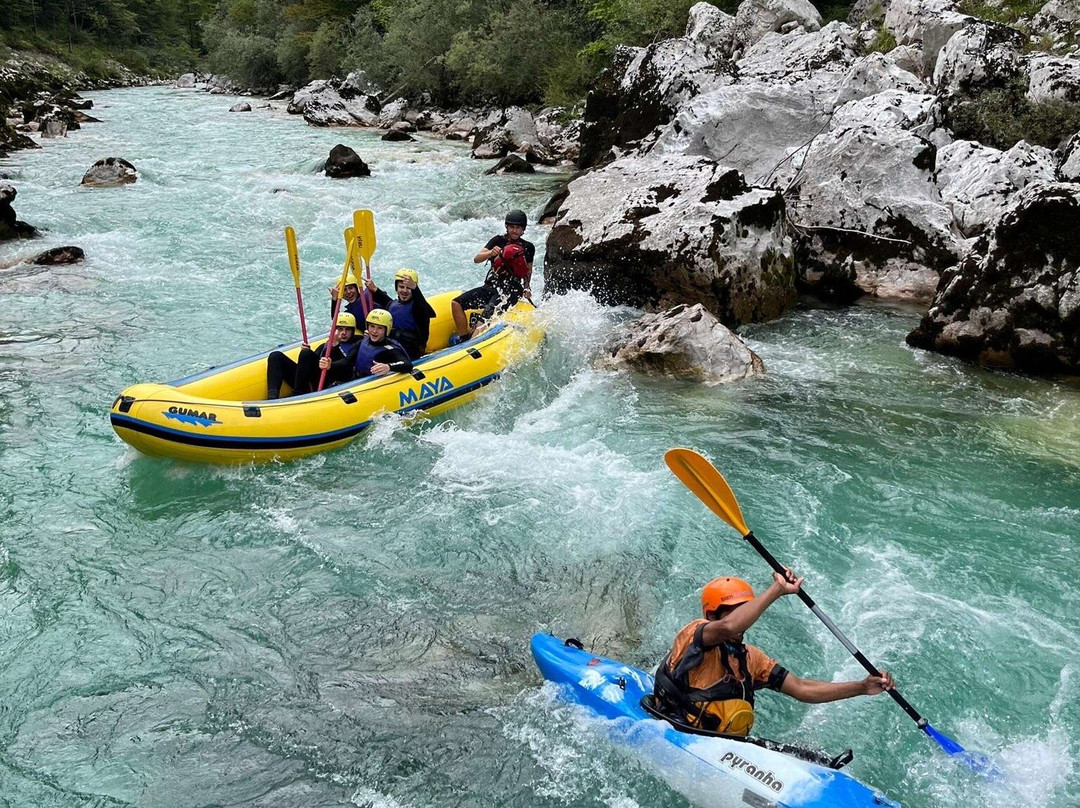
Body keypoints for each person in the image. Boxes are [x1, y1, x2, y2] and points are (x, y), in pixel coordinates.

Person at [653, 572, 894, 736]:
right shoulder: (696, 633)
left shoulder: (751, 659)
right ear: (712, 616)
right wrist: (778, 589)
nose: (744, 620)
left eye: (747, 609)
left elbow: (801, 688)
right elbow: (730, 627)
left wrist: (861, 687)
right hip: (674, 726)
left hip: (719, 744)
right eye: (736, 612)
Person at [450, 209, 534, 344]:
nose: (514, 230)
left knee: (482, 321)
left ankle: (471, 344)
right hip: (491, 286)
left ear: (523, 229)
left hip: (510, 291)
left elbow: (528, 271)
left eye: (518, 228)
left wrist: (527, 288)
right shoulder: (497, 240)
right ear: (507, 227)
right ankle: (464, 338)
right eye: (512, 227)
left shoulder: (528, 247)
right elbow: (477, 259)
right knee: (456, 303)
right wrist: (490, 253)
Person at [266, 312, 361, 399]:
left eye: (347, 330)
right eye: (340, 329)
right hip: (311, 383)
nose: (343, 333)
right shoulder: (325, 345)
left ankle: (297, 395)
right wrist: (306, 352)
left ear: (353, 331)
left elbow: (345, 367)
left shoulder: (356, 346)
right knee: (275, 356)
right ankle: (272, 398)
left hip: (331, 384)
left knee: (306, 354)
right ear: (334, 330)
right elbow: (310, 364)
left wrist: (334, 348)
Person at [365, 268, 437, 359]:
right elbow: (388, 303)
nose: (404, 291)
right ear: (396, 288)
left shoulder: (418, 308)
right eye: (401, 287)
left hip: (409, 352)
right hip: (390, 346)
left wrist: (415, 288)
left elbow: (426, 310)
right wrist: (375, 289)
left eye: (408, 288)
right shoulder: (394, 304)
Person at [353, 308, 413, 379]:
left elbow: (408, 364)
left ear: (386, 330)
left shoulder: (390, 350)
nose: (374, 331)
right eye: (372, 326)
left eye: (380, 328)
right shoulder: (363, 342)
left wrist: (388, 367)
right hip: (357, 379)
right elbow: (347, 361)